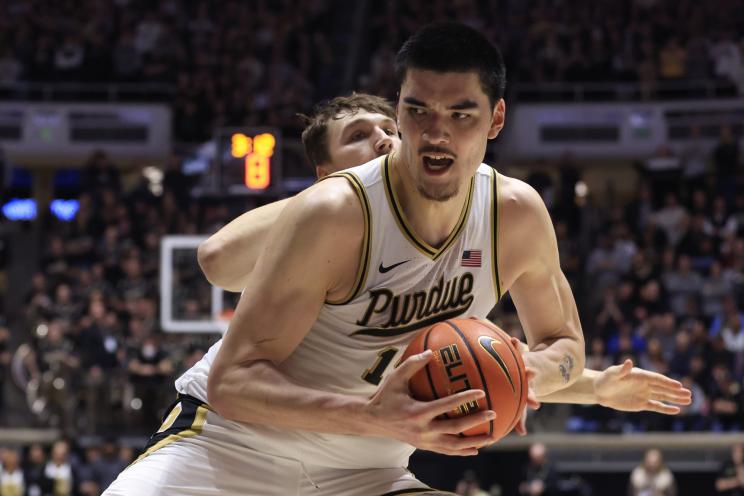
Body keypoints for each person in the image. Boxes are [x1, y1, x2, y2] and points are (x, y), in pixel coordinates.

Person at [105, 23, 689, 496]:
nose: (435, 134)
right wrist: (374, 417)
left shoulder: (514, 212)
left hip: (369, 473)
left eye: (460, 114)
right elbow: (232, 380)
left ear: (497, 118)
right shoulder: (333, 211)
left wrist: (525, 375)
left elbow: (563, 346)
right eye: (417, 112)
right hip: (230, 450)